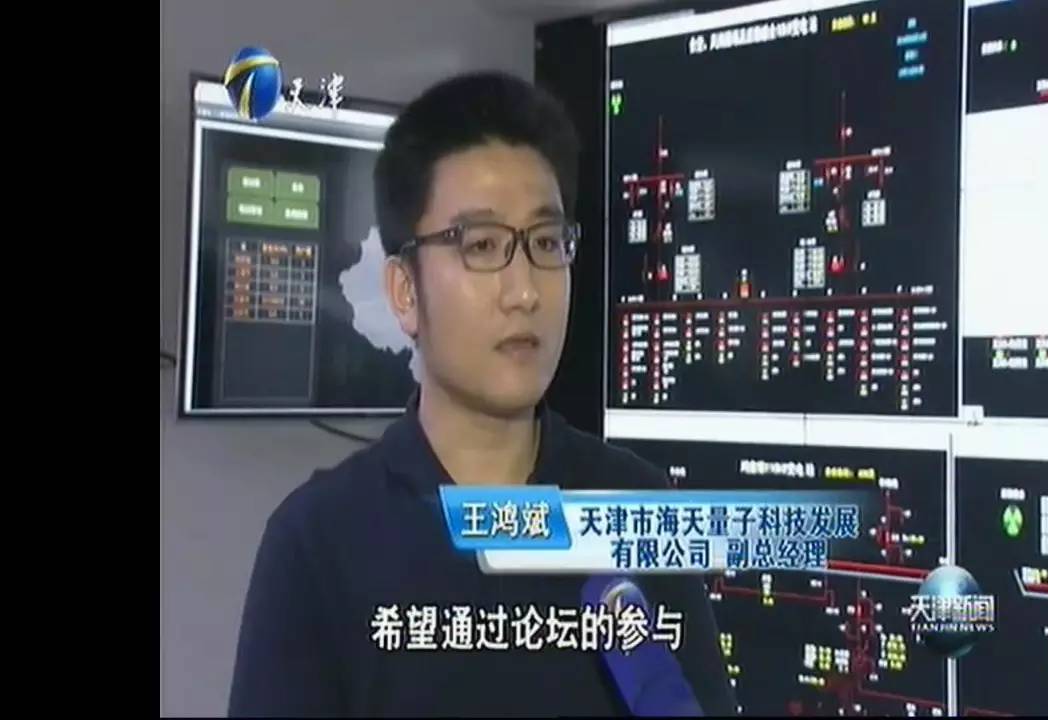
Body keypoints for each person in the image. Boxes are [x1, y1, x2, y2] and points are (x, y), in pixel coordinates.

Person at [228, 72, 737, 717]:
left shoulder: (637, 507)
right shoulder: (317, 543)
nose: (524, 290)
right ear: (405, 291)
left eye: (546, 243)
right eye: (483, 246)